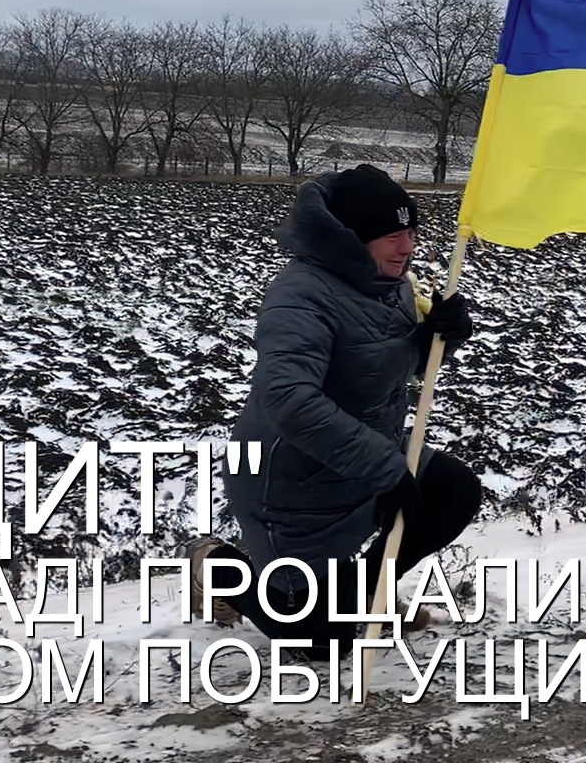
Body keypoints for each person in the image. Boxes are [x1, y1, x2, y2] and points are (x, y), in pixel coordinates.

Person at [188, 164, 482, 660]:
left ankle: (365, 597)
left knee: (453, 492)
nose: (406, 247)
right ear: (351, 239)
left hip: (361, 454)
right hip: (293, 478)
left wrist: (438, 338)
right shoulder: (300, 296)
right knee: (319, 644)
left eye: (411, 232)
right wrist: (386, 469)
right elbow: (288, 399)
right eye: (391, 236)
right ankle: (211, 563)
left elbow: (383, 362)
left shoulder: (390, 284)